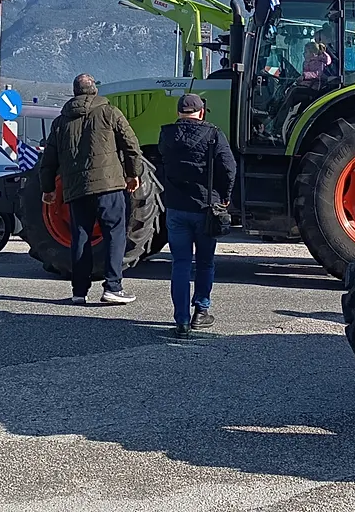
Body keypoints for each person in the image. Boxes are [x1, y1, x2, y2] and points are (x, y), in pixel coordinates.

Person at [39, 73, 144, 306]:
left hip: (76, 189)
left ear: (75, 92)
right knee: (114, 233)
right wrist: (133, 173)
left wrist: (48, 189)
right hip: (109, 185)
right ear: (95, 90)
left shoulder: (61, 121)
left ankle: (79, 291)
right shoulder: (110, 112)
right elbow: (131, 145)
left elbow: (49, 159)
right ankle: (113, 286)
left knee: (81, 237)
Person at [157, 93, 236, 339]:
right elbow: (229, 166)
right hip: (205, 208)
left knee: (180, 264)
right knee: (205, 262)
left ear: (179, 112)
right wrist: (225, 195)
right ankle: (201, 310)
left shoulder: (166, 134)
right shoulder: (213, 134)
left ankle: (181, 320)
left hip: (176, 209)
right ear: (201, 112)